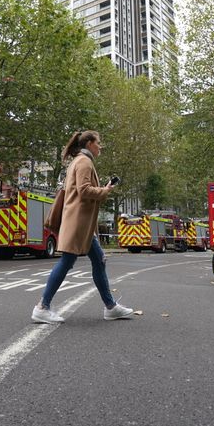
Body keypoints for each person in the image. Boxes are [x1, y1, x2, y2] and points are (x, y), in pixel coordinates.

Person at [31, 130, 134, 323]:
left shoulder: (78, 161)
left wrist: (102, 188)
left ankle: (111, 307)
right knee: (68, 262)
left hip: (81, 223)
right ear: (89, 144)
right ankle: (42, 307)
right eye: (98, 142)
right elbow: (84, 190)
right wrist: (105, 190)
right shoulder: (84, 162)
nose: (100, 146)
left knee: (99, 260)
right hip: (78, 223)